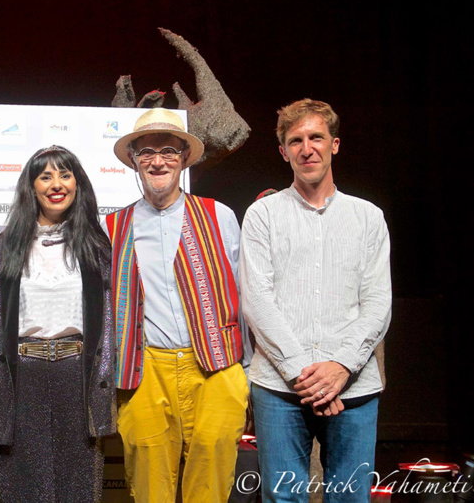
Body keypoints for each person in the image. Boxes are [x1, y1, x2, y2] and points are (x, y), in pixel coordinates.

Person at [239, 99, 391, 502]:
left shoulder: (368, 217)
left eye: (316, 138)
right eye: (296, 141)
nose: (307, 148)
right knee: (283, 498)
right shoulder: (262, 216)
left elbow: (378, 303)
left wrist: (341, 366)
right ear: (283, 151)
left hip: (353, 386)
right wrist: (305, 377)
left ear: (334, 144)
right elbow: (257, 301)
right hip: (279, 387)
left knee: (350, 497)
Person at [104, 107, 249, 503]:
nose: (157, 160)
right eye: (146, 152)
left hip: (217, 368)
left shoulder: (219, 216)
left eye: (168, 150)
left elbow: (245, 294)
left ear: (184, 158)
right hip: (144, 370)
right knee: (150, 488)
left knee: (211, 485)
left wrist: (246, 373)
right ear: (133, 160)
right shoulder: (112, 227)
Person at [0, 145, 116, 502]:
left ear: (77, 184)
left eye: (65, 175)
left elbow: (110, 325)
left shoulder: (98, 247)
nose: (57, 184)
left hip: (78, 375)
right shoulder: (2, 248)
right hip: (23, 377)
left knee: (79, 487)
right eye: (46, 176)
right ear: (32, 187)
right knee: (24, 487)